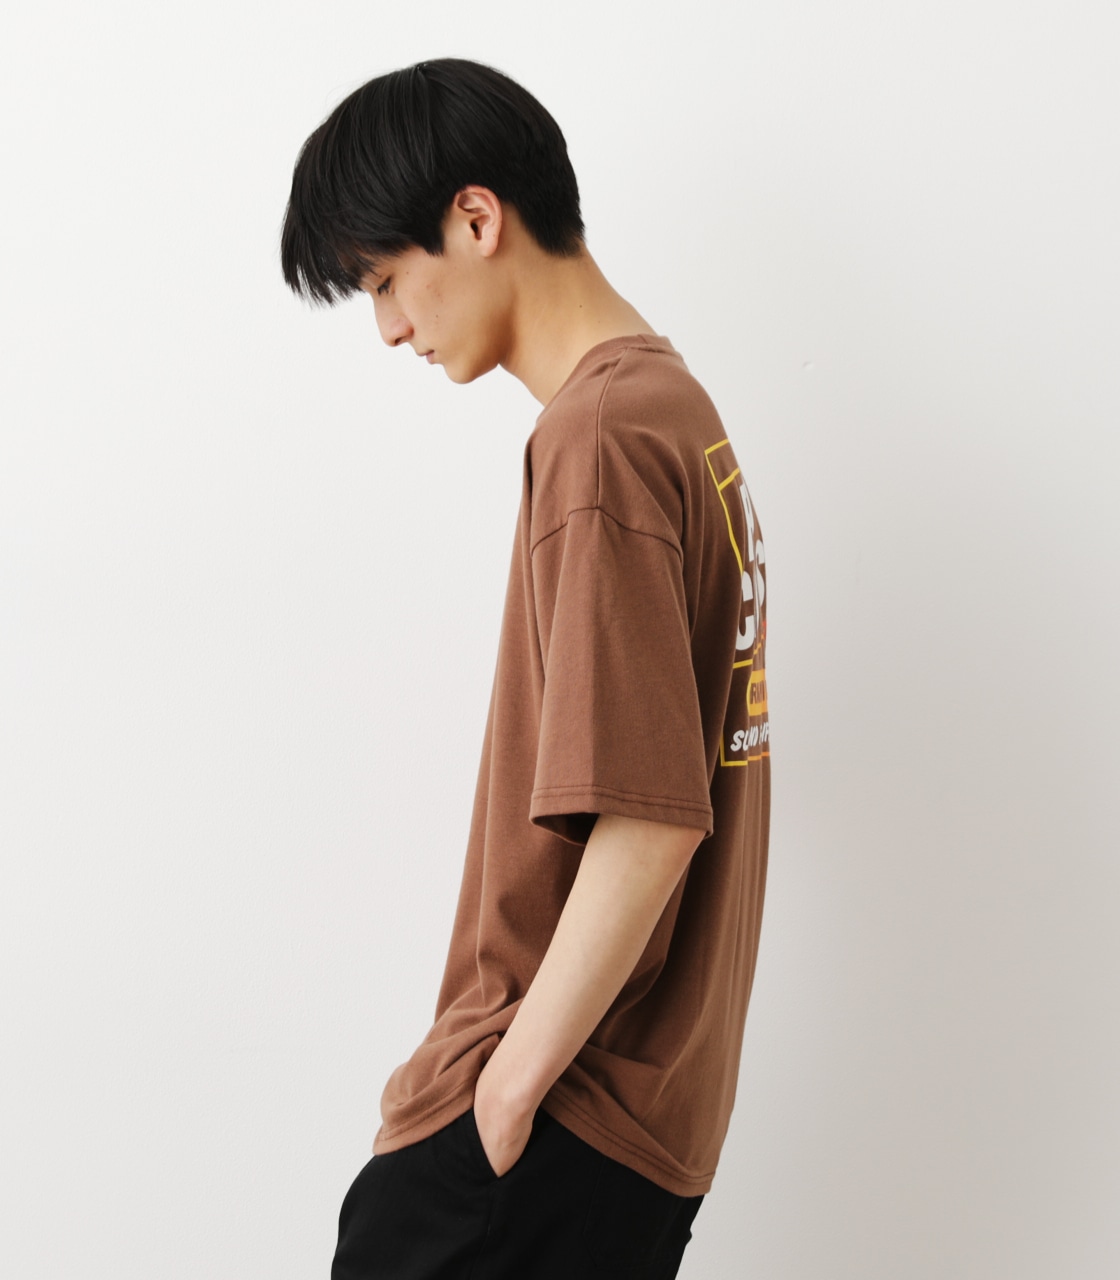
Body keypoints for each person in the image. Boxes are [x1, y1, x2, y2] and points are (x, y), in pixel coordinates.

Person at [281, 57, 770, 1280]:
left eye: (385, 281)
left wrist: (497, 1101)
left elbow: (651, 820)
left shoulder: (598, 437)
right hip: (639, 1124)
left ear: (475, 217)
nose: (390, 327)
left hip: (551, 1120)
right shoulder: (676, 410)